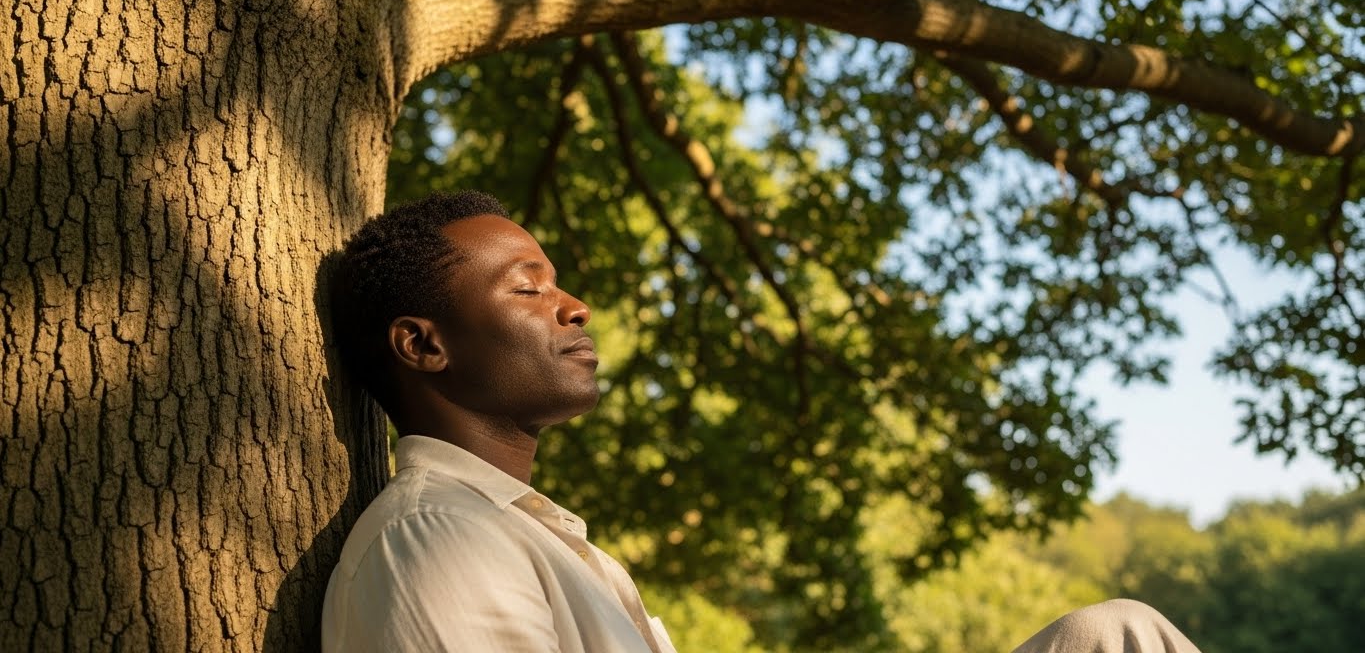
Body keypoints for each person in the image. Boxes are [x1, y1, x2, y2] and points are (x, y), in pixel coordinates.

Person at [320, 190, 1201, 653]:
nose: (575, 306)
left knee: (1112, 636)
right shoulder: (433, 540)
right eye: (528, 286)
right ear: (423, 345)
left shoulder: (536, 539)